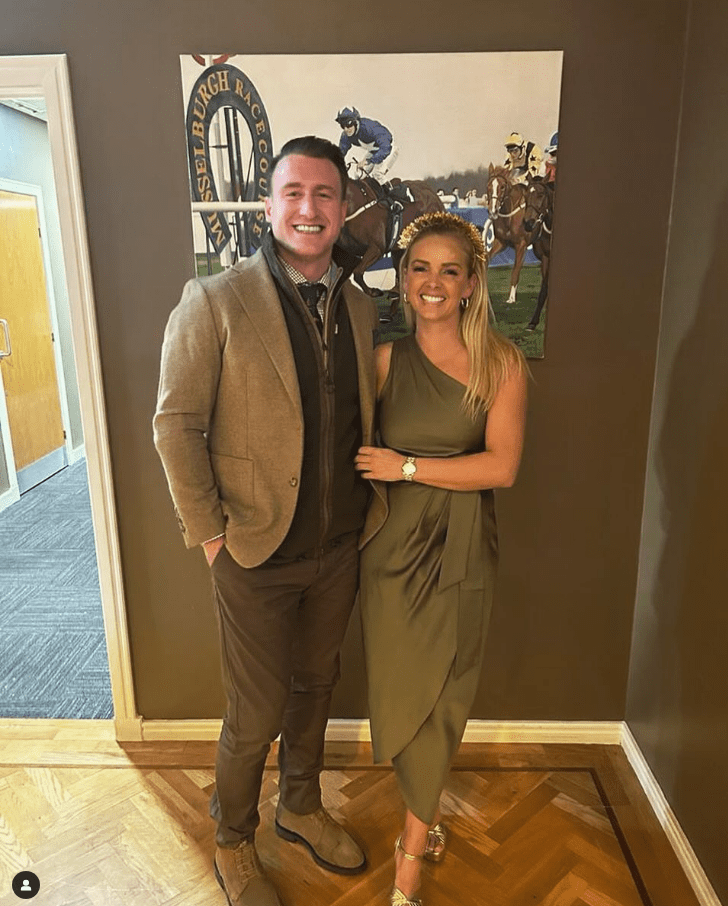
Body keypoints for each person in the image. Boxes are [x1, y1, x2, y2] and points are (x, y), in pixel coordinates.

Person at [154, 136, 379, 906]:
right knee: (253, 713)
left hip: (340, 544)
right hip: (252, 550)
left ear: (343, 207)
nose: (309, 209)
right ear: (268, 204)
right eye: (293, 193)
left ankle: (302, 808)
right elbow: (174, 424)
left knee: (317, 685)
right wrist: (211, 535)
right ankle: (233, 838)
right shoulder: (215, 299)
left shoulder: (356, 302)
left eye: (324, 195)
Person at [354, 212, 527, 906]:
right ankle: (420, 825)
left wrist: (408, 467)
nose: (432, 282)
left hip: (459, 552)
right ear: (403, 280)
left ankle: (409, 858)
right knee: (404, 693)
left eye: (448, 270)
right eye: (420, 268)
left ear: (469, 283)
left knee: (445, 699)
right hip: (389, 555)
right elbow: (351, 455)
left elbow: (502, 468)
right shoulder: (386, 361)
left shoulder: (501, 362)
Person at [336, 106, 398, 181]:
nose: (346, 129)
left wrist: (368, 161)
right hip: (374, 152)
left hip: (389, 150)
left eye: (349, 125)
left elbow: (385, 148)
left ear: (355, 122)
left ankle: (393, 192)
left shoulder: (369, 128)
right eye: (343, 126)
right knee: (359, 175)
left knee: (377, 174)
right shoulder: (346, 136)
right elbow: (340, 153)